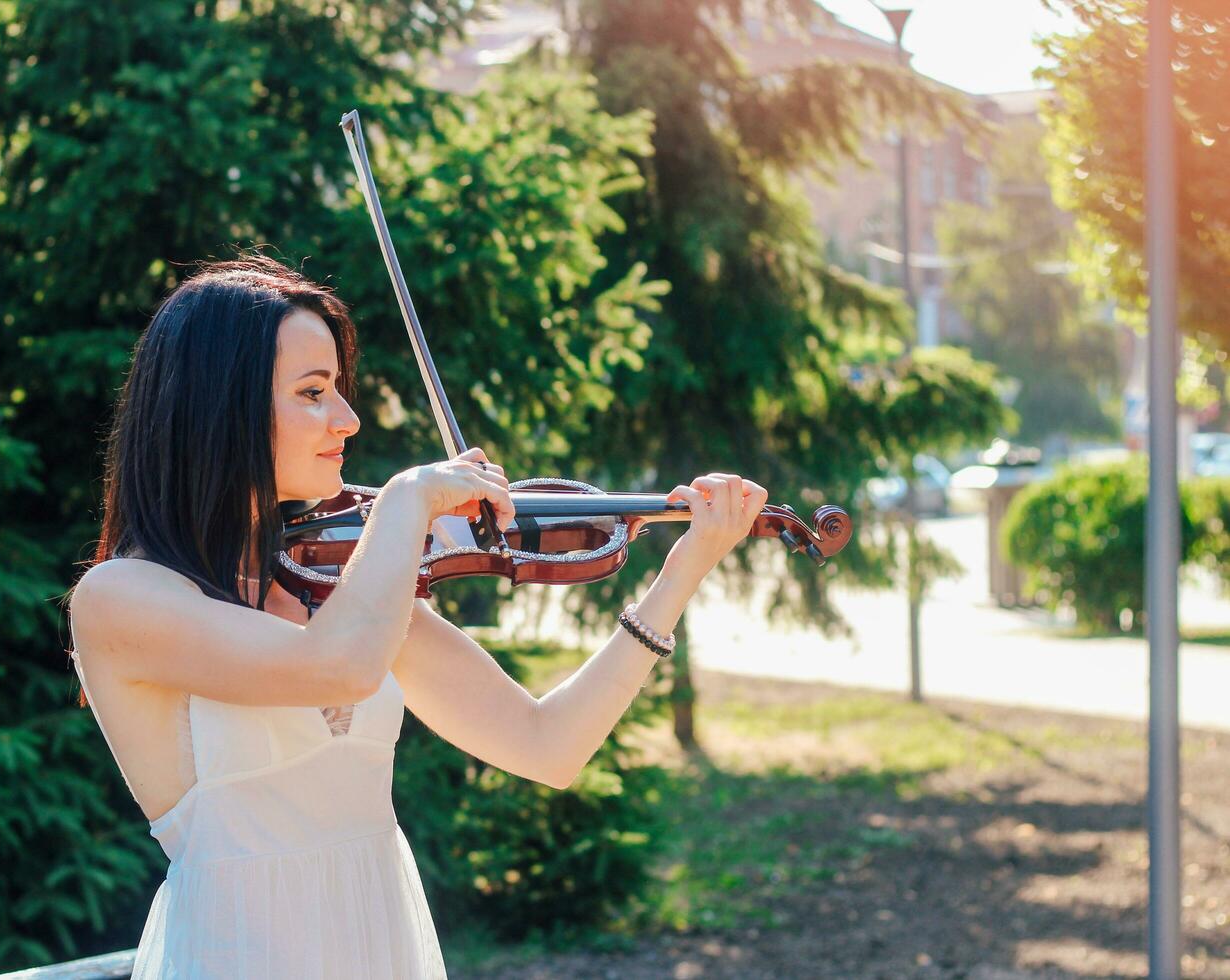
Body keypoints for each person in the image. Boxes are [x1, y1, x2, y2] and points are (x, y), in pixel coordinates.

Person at [66, 254, 768, 978]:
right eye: (313, 392)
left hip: (380, 948)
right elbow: (335, 667)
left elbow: (546, 745)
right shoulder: (124, 597)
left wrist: (685, 568)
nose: (348, 418)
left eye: (338, 388)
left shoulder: (334, 584)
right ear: (221, 407)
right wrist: (405, 503)